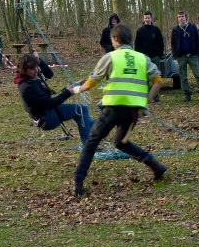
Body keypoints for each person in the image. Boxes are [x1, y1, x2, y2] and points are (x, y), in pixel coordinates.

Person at [69, 24, 167, 197]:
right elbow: (158, 81)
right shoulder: (142, 58)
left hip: (113, 108)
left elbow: (92, 81)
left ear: (115, 39)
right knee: (121, 142)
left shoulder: (110, 57)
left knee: (92, 141)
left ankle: (78, 182)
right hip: (133, 111)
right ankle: (156, 166)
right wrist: (145, 102)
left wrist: (76, 89)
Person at [16, 52, 94, 144]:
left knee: (82, 113)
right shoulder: (27, 86)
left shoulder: (32, 78)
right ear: (24, 70)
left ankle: (101, 126)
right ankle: (88, 144)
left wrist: (39, 60)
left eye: (36, 67)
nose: (35, 70)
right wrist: (68, 92)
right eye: (32, 69)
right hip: (47, 118)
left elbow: (49, 74)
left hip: (49, 112)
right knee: (81, 109)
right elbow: (50, 104)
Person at [171, 11, 199, 101]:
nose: (181, 18)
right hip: (181, 56)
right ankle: (187, 95)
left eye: (182, 16)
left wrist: (196, 52)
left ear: (186, 17)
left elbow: (198, 40)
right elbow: (173, 43)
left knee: (198, 75)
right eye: (179, 17)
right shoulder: (175, 29)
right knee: (183, 77)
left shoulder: (192, 27)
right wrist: (175, 54)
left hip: (193, 56)